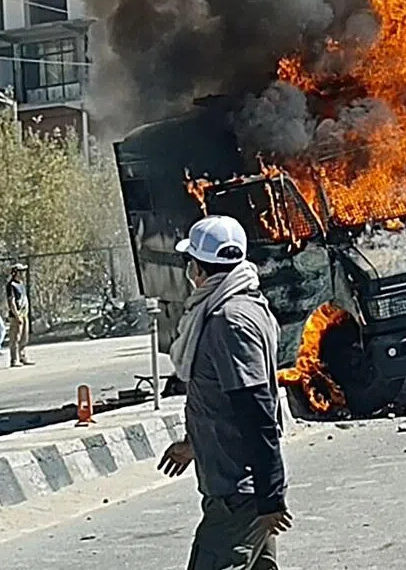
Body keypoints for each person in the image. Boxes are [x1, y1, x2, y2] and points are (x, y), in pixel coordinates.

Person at [159, 215, 290, 570]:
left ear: (198, 269)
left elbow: (256, 408)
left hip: (239, 495)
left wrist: (270, 496)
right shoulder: (245, 305)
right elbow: (224, 401)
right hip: (242, 489)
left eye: (190, 263)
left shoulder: (227, 320)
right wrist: (193, 445)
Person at [5, 264, 33, 367]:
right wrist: (17, 315)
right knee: (15, 338)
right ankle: (14, 359)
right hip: (16, 315)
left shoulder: (21, 284)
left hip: (24, 313)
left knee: (24, 337)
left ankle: (23, 356)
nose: (23, 274)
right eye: (20, 272)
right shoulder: (11, 285)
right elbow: (11, 301)